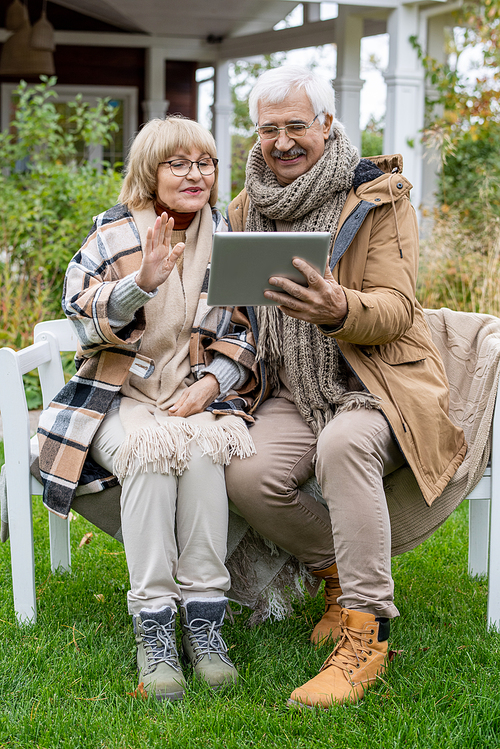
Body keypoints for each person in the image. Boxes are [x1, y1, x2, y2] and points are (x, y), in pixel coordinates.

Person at [224, 65, 466, 708]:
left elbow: (397, 309)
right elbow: (241, 311)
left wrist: (338, 309)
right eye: (269, 128)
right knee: (247, 474)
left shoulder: (380, 198)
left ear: (326, 125)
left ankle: (368, 629)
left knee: (343, 447)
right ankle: (333, 573)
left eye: (296, 126)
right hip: (293, 387)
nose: (281, 141)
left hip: (374, 379)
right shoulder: (245, 207)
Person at [37, 116, 257, 701]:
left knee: (206, 453)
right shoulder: (111, 234)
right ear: (150, 172)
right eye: (177, 164)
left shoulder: (227, 232)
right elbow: (82, 316)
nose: (195, 175)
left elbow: (247, 325)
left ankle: (205, 623)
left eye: (204, 163)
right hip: (118, 395)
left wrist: (214, 381)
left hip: (192, 391)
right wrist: (142, 282)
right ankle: (155, 626)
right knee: (151, 456)